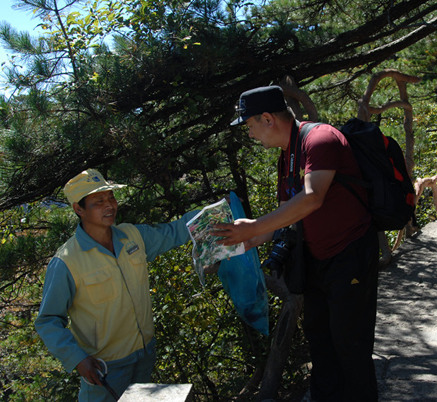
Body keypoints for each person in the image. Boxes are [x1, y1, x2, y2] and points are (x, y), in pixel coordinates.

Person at [215, 85, 379, 402]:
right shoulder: (286, 157)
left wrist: (252, 228)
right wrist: (237, 243)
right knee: (321, 344)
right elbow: (286, 217)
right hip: (315, 262)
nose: (250, 135)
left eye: (249, 126)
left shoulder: (320, 139)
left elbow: (312, 197)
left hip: (350, 256)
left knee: (351, 347)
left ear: (267, 118)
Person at [35, 169, 198, 401]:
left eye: (111, 197)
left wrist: (215, 212)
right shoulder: (67, 262)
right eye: (98, 202)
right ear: (78, 209)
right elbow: (48, 321)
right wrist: (78, 359)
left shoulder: (132, 236)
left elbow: (174, 232)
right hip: (105, 368)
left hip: (144, 355)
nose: (109, 205)